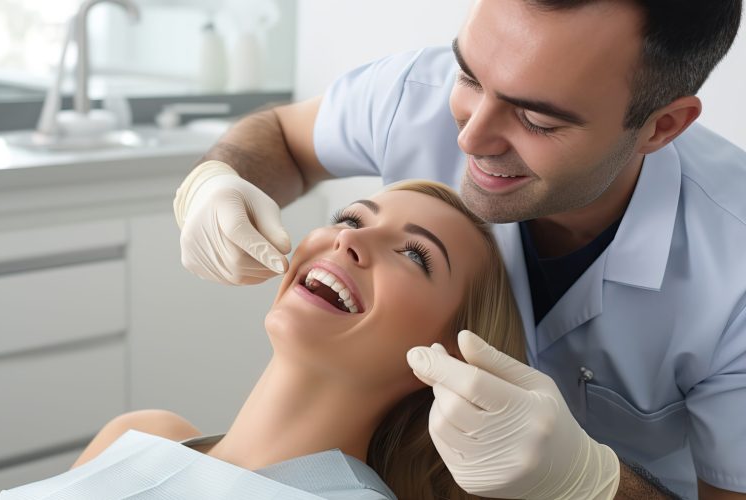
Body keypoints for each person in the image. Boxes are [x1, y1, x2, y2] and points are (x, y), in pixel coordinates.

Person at [172, 1, 746, 499]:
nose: (470, 138)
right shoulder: (411, 95)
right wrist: (215, 181)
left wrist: (590, 484)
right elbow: (283, 138)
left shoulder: (733, 271)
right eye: (469, 76)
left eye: (537, 119)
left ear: (662, 125)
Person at [0, 181, 530, 500]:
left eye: (415, 254)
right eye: (349, 217)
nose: (348, 238)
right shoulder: (139, 434)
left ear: (453, 358)